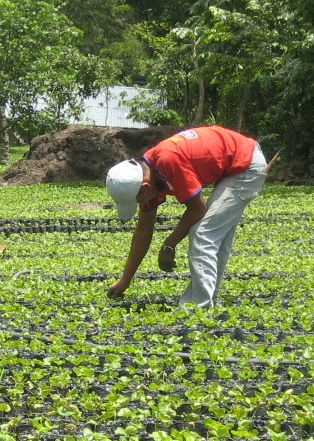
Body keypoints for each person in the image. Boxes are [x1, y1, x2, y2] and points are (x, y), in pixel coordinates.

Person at [105, 126, 268, 308]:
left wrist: (169, 244)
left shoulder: (167, 161)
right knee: (214, 236)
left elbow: (198, 208)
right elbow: (144, 230)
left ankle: (198, 308)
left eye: (136, 200)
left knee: (203, 233)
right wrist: (124, 280)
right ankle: (206, 299)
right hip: (233, 163)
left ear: (143, 187)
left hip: (244, 163)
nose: (139, 203)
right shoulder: (147, 177)